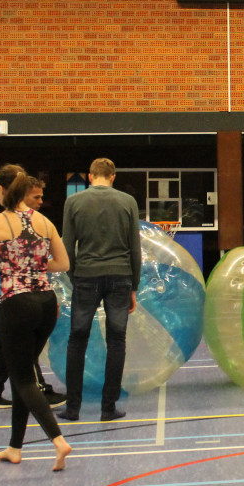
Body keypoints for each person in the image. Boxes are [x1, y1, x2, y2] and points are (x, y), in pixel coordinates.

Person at [0, 165, 72, 471]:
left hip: (17, 303)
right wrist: (35, 265)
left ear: (2, 189)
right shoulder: (43, 221)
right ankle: (14, 448)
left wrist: (5, 262)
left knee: (21, 379)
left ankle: (59, 441)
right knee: (25, 378)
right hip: (46, 302)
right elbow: (63, 262)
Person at [61, 157, 141, 422]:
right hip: (120, 276)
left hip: (86, 275)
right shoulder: (128, 201)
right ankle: (109, 408)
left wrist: (75, 276)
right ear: (113, 176)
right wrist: (134, 285)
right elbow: (135, 248)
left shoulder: (73, 202)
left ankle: (73, 408)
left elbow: (67, 244)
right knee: (117, 340)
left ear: (90, 176)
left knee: (77, 340)